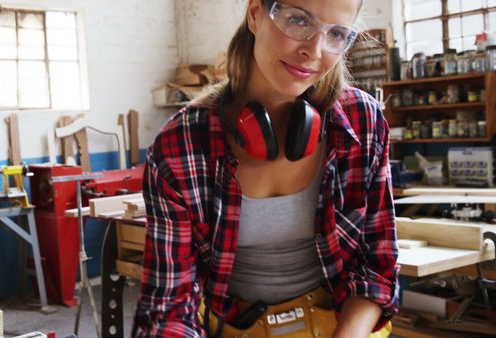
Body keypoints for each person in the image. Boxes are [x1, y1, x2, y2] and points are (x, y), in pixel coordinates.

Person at [132, 0, 399, 337]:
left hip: (343, 325)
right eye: (298, 20)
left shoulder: (364, 121)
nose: (314, 51)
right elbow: (170, 306)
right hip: (236, 325)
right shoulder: (181, 144)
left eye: (336, 34)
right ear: (255, 13)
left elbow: (377, 268)